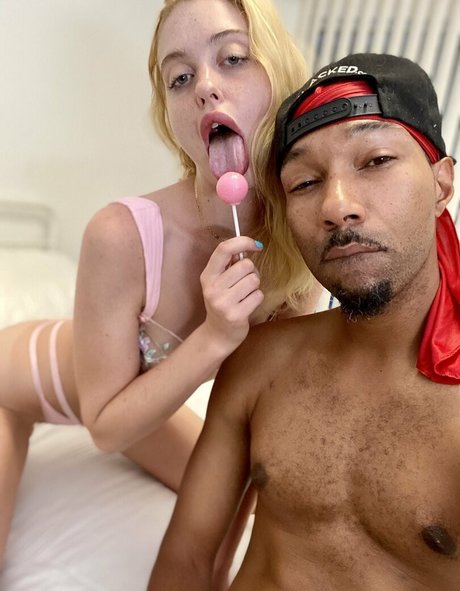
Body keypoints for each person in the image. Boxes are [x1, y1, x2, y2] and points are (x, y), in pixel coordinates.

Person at [0, 0, 319, 572]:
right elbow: (105, 428)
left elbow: (268, 417)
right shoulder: (120, 233)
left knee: (238, 503)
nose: (206, 86)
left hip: (135, 410)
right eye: (180, 77)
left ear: (281, 75)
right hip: (16, 387)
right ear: (169, 117)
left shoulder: (298, 239)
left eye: (233, 58)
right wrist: (214, 338)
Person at [148, 52, 460, 591]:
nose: (337, 206)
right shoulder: (261, 362)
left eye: (376, 161)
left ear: (441, 183)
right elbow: (187, 561)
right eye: (305, 182)